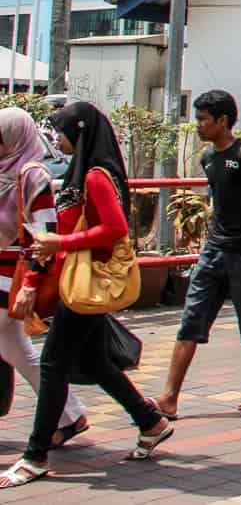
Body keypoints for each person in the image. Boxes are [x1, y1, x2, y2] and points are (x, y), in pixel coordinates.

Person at [0, 102, 173, 487]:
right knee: (94, 364)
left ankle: (34, 455)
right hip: (77, 281)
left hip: (85, 282)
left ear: (79, 133)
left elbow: (114, 228)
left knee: (52, 364)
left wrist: (63, 240)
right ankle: (150, 421)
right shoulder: (86, 171)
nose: (56, 139)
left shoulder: (94, 176)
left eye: (61, 131)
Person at [153, 90, 241, 420]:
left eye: (203, 120)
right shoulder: (208, 159)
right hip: (213, 251)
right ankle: (168, 398)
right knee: (191, 320)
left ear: (222, 121)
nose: (198, 125)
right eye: (197, 119)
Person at [0, 110, 88, 448]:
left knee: (17, 347)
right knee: (17, 349)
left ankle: (69, 415)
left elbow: (45, 231)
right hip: (5, 274)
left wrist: (31, 282)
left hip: (13, 274)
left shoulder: (31, 174)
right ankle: (69, 415)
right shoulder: (7, 171)